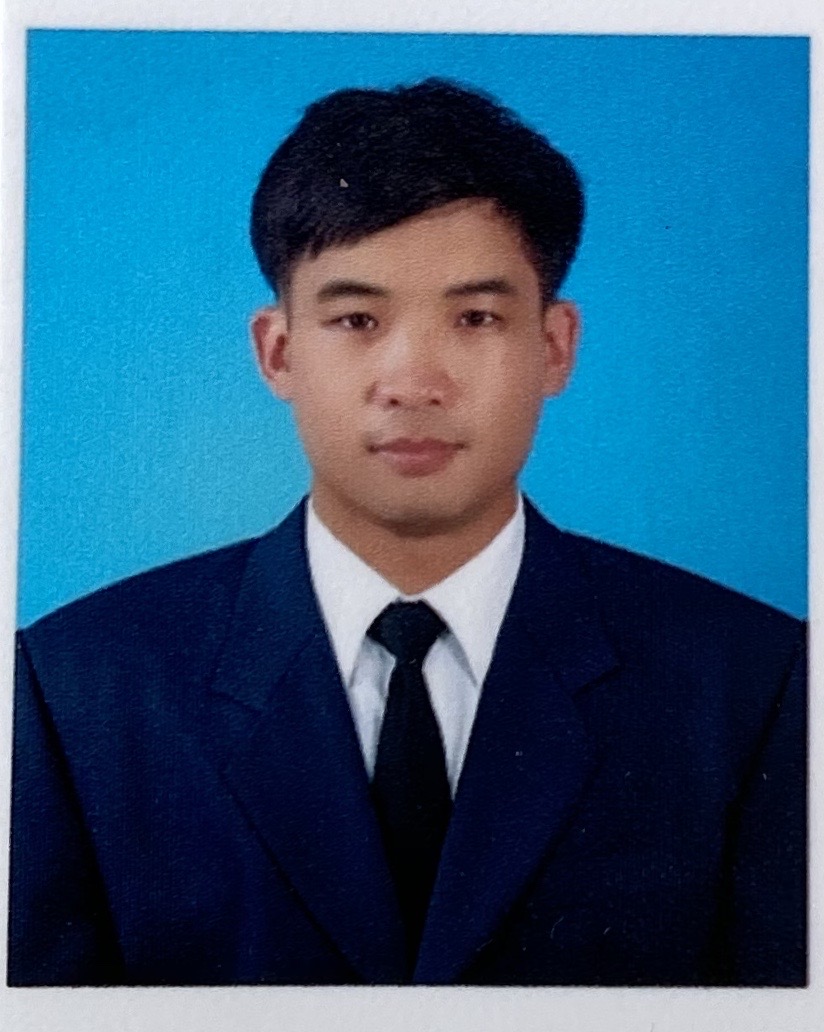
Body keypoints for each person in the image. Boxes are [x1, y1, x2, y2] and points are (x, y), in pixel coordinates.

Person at [8, 78, 806, 987]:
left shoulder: (751, 682)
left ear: (555, 347)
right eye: (357, 319)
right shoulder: (78, 687)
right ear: (277, 351)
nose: (413, 382)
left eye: (475, 318)